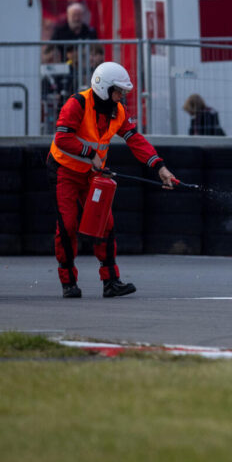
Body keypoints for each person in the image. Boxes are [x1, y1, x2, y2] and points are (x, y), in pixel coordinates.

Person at [48, 61, 176, 298]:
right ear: (103, 88)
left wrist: (159, 167)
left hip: (93, 175)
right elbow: (62, 139)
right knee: (68, 225)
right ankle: (68, 282)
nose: (122, 96)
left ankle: (111, 282)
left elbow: (135, 140)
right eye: (118, 91)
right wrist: (90, 154)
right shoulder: (77, 104)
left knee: (104, 224)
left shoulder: (119, 112)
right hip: (64, 172)